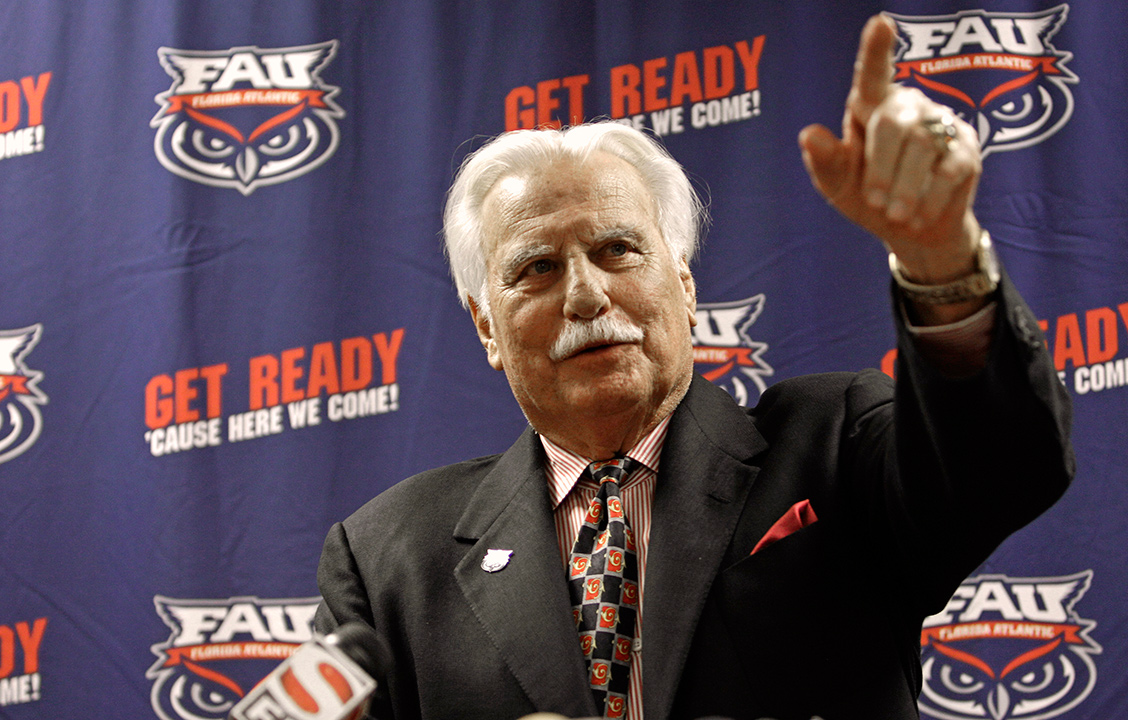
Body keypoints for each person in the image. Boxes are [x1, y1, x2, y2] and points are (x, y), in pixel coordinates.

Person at [315, 15, 1073, 720]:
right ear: (486, 325)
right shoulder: (388, 559)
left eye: (617, 250)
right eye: (538, 269)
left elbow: (1003, 466)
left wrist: (941, 256)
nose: (585, 294)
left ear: (683, 282)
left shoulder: (830, 446)